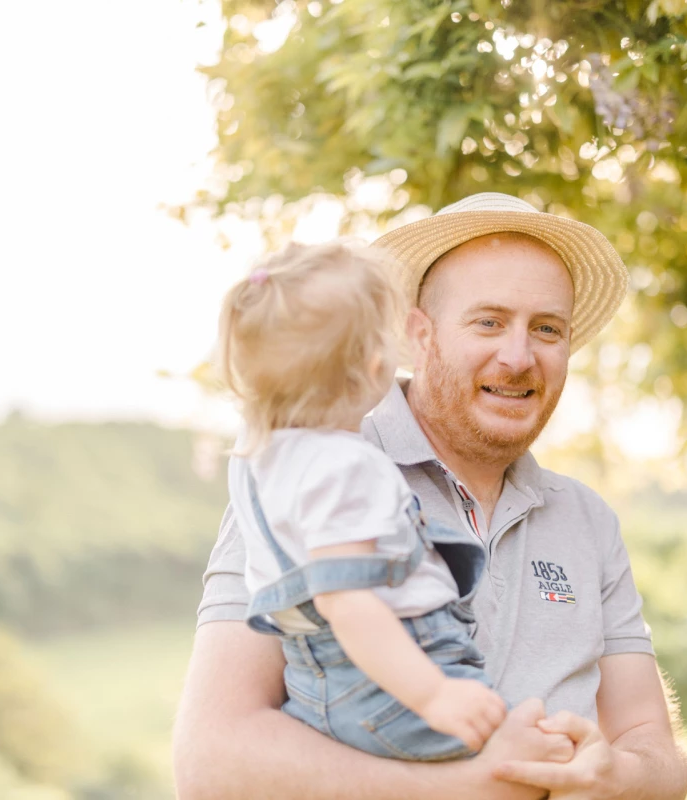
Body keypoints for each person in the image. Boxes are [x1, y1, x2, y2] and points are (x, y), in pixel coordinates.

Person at [175, 193, 687, 800]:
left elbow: (655, 748)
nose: (519, 356)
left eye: (547, 329)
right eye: (489, 322)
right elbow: (211, 763)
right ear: (418, 334)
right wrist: (469, 787)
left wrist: (617, 775)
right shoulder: (312, 469)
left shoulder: (588, 520)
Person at [214, 240, 506, 759]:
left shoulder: (257, 460)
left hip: (314, 679)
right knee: (514, 751)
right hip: (397, 672)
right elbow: (346, 601)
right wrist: (434, 693)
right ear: (375, 366)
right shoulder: (346, 464)